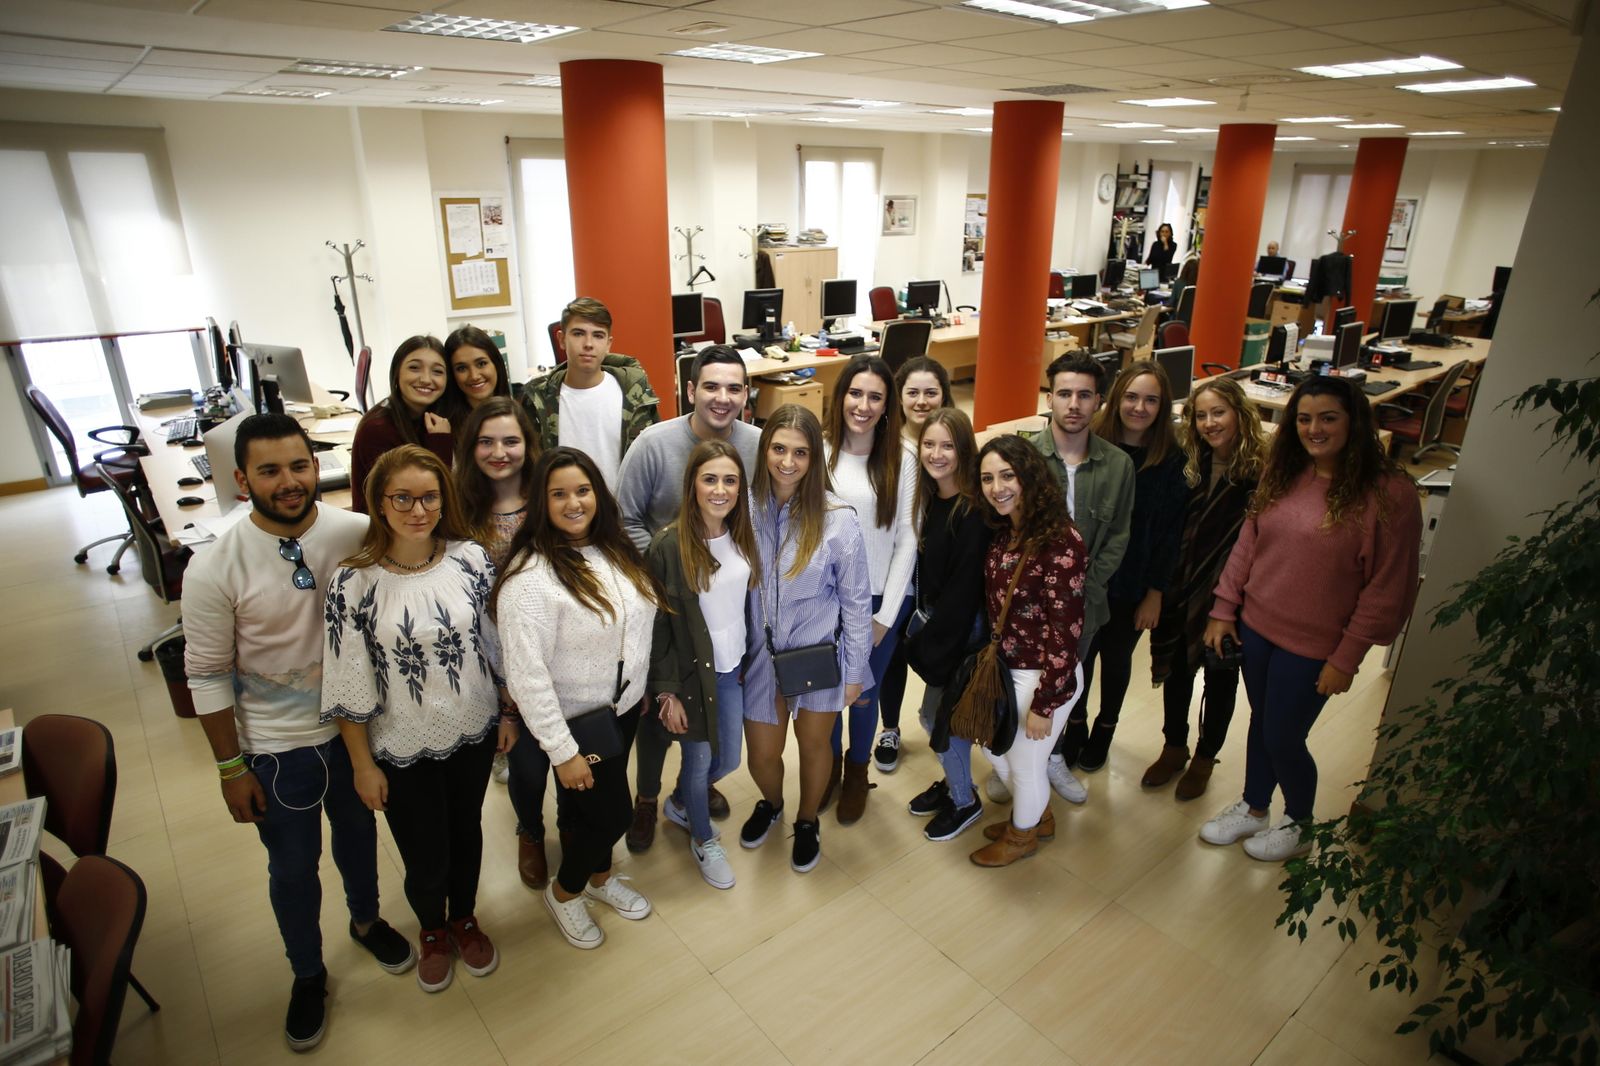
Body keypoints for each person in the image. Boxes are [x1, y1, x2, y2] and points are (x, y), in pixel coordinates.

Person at [183, 413, 413, 1052]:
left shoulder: (358, 532)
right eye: (270, 470)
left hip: (356, 732)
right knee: (292, 867)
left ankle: (366, 921)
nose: (289, 482)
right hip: (275, 746)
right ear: (241, 479)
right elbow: (204, 675)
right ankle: (307, 973)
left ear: (317, 466)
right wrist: (231, 768)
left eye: (299, 466)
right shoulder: (213, 568)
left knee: (360, 836)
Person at [1200, 376, 1421, 861]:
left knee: (1283, 734)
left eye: (1327, 418)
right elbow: (1248, 545)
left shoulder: (1390, 495)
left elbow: (1386, 589)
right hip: (1257, 627)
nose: (1313, 429)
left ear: (1354, 421)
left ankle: (1299, 821)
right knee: (1262, 723)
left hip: (1316, 644)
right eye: (1303, 418)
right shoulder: (1285, 471)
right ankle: (1255, 807)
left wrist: (1348, 657)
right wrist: (1223, 609)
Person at [321, 445, 512, 993]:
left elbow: (493, 645)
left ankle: (464, 917)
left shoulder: (470, 559)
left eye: (429, 496)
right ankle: (432, 927)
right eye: (401, 497)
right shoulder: (353, 582)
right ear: (379, 502)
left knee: (467, 832)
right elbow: (346, 679)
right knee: (423, 847)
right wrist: (361, 765)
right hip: (399, 743)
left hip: (473, 728)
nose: (417, 509)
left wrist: (507, 712)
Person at [493, 447, 666, 948]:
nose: (574, 503)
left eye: (583, 490)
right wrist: (563, 751)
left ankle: (598, 878)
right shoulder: (530, 580)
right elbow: (526, 678)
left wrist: (642, 686)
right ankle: (566, 893)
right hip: (575, 723)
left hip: (622, 708)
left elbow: (639, 624)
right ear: (540, 504)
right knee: (611, 814)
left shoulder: (614, 547)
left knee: (596, 812)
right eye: (559, 494)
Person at [615, 344, 761, 852]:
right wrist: (669, 563)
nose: (722, 398)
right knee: (660, 712)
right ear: (691, 390)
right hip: (663, 598)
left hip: (722, 604)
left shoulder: (757, 444)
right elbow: (624, 517)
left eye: (734, 388)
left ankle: (692, 788)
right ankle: (647, 800)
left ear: (747, 394)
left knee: (712, 720)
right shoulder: (653, 445)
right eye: (712, 386)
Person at [739, 405, 872, 873]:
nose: (788, 462)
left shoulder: (839, 519)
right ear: (764, 450)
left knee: (815, 746)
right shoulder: (741, 508)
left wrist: (856, 673)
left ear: (816, 458)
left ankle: (807, 818)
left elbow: (857, 604)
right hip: (760, 658)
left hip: (817, 656)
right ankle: (773, 804)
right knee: (761, 754)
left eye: (800, 452)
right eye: (778, 449)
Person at [1056, 360, 1187, 776]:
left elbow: (1170, 534)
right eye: (1131, 396)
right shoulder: (1094, 446)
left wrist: (1155, 592)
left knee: (1115, 658)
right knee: (1082, 657)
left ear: (1163, 407)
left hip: (1132, 582)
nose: (1140, 407)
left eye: (1151, 400)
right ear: (1113, 400)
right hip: (1089, 579)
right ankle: (1074, 723)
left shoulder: (1171, 460)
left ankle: (1105, 727)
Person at [1142, 378, 1268, 800]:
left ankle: (1204, 758)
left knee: (1220, 679)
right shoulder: (1188, 464)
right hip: (1180, 588)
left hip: (1232, 598)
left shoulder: (1262, 471)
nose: (1210, 423)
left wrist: (1226, 605)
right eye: (1201, 415)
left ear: (1239, 413)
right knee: (1177, 674)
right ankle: (1174, 747)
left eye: (1219, 413)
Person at [646, 439, 760, 889]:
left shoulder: (743, 534)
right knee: (699, 763)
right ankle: (702, 837)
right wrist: (667, 691)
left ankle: (680, 803)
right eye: (709, 479)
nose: (720, 490)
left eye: (730, 480)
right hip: (693, 675)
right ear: (692, 484)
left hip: (732, 671)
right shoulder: (669, 546)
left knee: (728, 760)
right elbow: (656, 624)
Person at [969, 434, 1087, 867]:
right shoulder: (1007, 531)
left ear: (1029, 477)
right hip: (1008, 667)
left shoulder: (1060, 540)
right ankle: (1037, 816)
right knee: (993, 748)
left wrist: (1046, 702)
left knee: (1024, 766)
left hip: (1041, 674)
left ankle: (1023, 836)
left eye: (1007, 475)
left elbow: (1066, 629)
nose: (996, 487)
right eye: (987, 478)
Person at [1025, 353, 1134, 806]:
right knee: (1023, 685)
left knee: (1065, 685)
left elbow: (1119, 535)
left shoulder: (1118, 465)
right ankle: (1018, 758)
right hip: (1027, 604)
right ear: (1049, 398)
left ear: (1099, 403)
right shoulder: (1026, 454)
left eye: (1084, 395)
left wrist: (1080, 592)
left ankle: (1050, 758)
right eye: (1064, 393)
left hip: (1085, 606)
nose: (1073, 404)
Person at [455, 397, 548, 884]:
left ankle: (573, 828)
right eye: (486, 441)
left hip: (550, 648)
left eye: (510, 440)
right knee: (525, 766)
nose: (499, 452)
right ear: (471, 448)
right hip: (488, 657)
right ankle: (530, 831)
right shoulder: (457, 510)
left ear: (527, 445)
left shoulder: (549, 497)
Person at [822, 356, 917, 824]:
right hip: (824, 600)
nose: (862, 405)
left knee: (861, 693)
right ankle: (829, 769)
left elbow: (908, 539)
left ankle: (857, 770)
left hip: (879, 601)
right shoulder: (817, 452)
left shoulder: (903, 458)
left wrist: (885, 617)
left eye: (874, 396)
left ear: (887, 405)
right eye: (854, 394)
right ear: (840, 397)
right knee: (829, 691)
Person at [901, 409, 992, 841]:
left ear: (964, 451)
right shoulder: (931, 497)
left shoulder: (971, 512)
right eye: (929, 444)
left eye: (947, 446)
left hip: (959, 636)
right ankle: (956, 782)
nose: (936, 454)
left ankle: (964, 799)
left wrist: (932, 647)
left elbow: (962, 593)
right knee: (935, 716)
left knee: (939, 720)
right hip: (941, 629)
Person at [873, 355, 956, 774]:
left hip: (938, 569)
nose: (922, 401)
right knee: (892, 655)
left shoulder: (955, 442)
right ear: (899, 398)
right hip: (895, 569)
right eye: (912, 393)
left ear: (944, 395)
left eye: (931, 392)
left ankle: (946, 730)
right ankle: (890, 727)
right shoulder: (885, 444)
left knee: (940, 652)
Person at [519, 296, 660, 487]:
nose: (588, 343)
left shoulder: (635, 393)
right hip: (563, 511)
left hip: (624, 512)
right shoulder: (539, 399)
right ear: (561, 339)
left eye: (598, 335)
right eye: (578, 333)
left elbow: (655, 459)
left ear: (608, 344)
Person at [351, 335, 459, 514]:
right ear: (396, 373)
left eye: (437, 371)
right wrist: (440, 443)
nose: (426, 379)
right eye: (414, 368)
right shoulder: (378, 429)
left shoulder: (434, 418)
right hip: (389, 533)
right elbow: (424, 497)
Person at [444, 324, 512, 415]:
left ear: (496, 364)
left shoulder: (517, 415)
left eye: (481, 364)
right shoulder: (442, 425)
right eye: (462, 368)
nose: (474, 376)